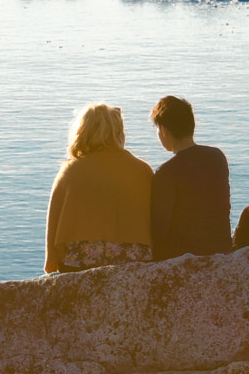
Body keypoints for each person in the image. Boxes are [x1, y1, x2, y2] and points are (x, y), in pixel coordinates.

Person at [45, 103, 156, 273]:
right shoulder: (142, 170)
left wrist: (52, 258)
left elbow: (54, 221)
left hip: (80, 261)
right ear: (118, 132)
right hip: (133, 261)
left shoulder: (71, 171)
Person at [149, 95, 231, 259]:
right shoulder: (217, 157)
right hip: (222, 251)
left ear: (163, 130)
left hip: (183, 257)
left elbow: (159, 230)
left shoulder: (167, 172)